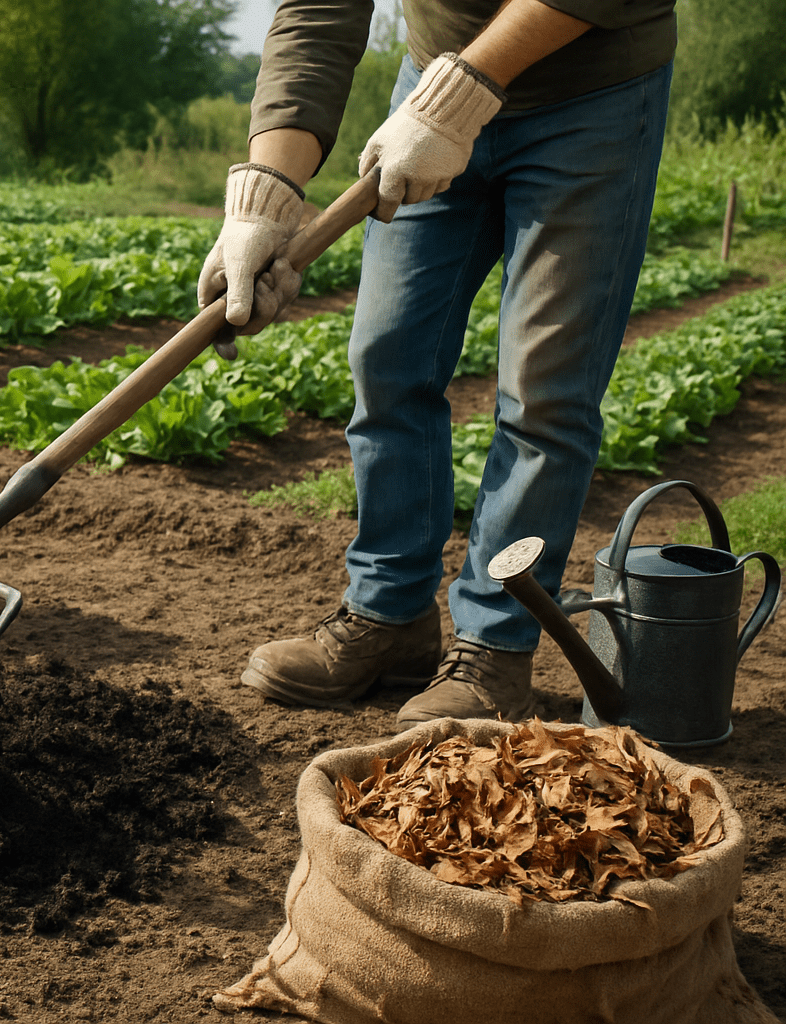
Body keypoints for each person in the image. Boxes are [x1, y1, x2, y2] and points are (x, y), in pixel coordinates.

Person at [198, 0, 677, 728]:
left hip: (593, 97)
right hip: (428, 87)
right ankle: (388, 616)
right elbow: (319, 12)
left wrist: (466, 92)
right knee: (387, 357)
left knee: (544, 390)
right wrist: (265, 195)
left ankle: (495, 647)